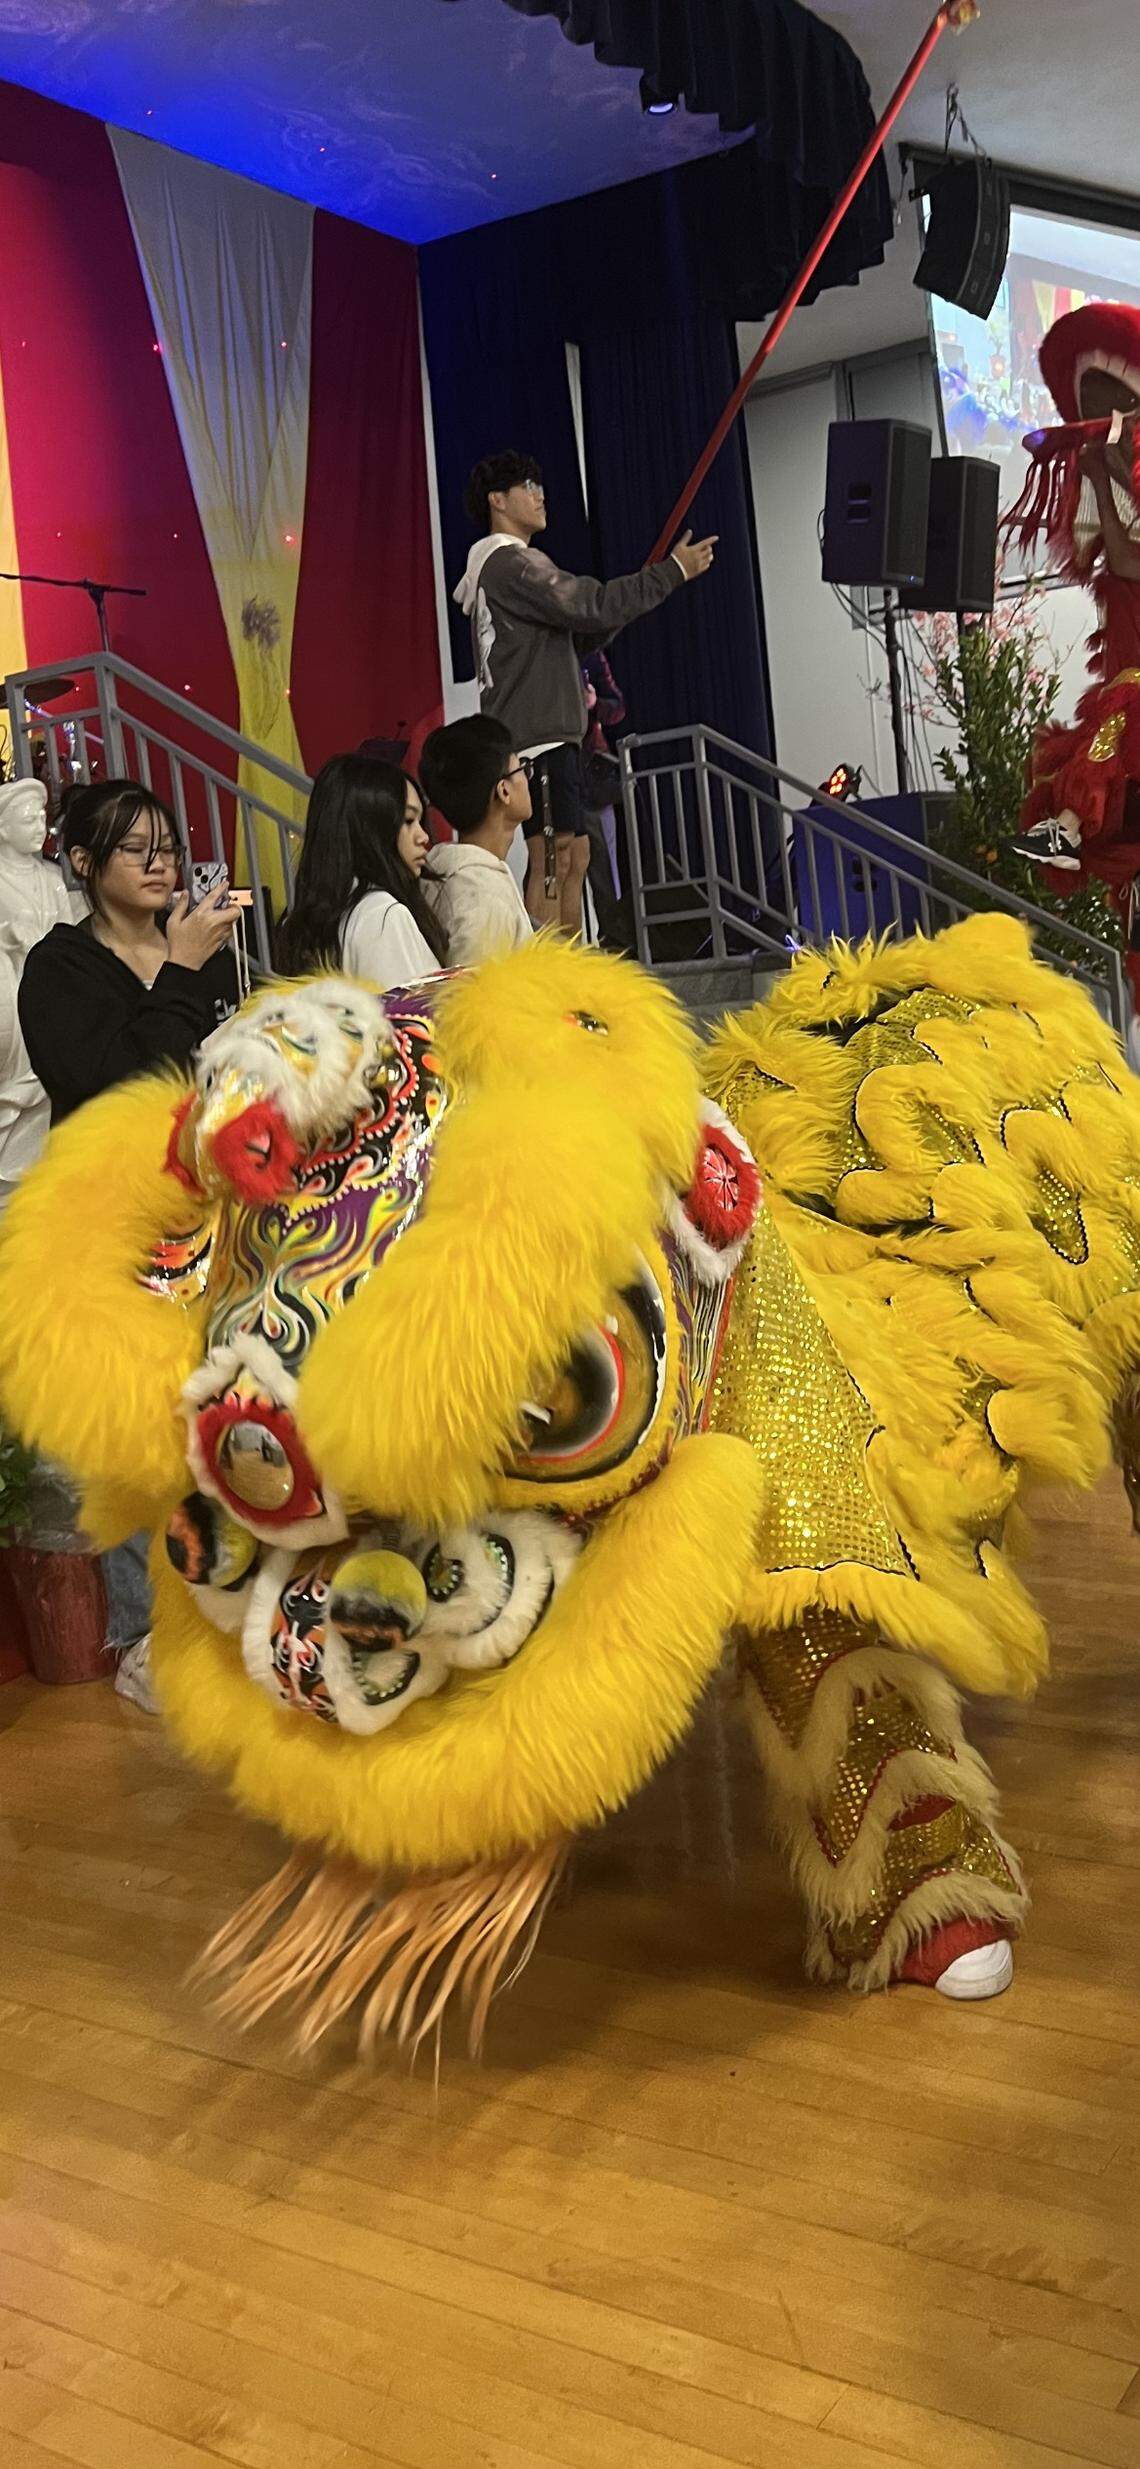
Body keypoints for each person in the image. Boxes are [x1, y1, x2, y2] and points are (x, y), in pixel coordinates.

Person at [17, 777, 241, 1710]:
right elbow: (113, 1084)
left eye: (167, 842)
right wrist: (183, 973)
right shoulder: (58, 967)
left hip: (214, 1219)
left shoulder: (202, 951)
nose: (162, 861)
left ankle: (229, 1614)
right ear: (81, 864)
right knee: (134, 1440)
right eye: (134, 848)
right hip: (114, 1233)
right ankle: (145, 1637)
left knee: (218, 1420)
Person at [455, 448, 715, 934]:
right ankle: (555, 980)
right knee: (554, 858)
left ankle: (572, 966)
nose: (540, 495)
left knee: (575, 854)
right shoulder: (510, 564)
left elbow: (583, 628)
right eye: (527, 487)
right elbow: (588, 605)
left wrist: (633, 600)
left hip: (550, 732)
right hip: (538, 736)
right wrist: (669, 573)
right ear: (498, 500)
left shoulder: (508, 568)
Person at [278, 754, 446, 984]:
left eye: (420, 821)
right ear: (370, 828)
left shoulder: (304, 918)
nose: (423, 836)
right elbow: (405, 1017)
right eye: (408, 820)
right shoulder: (382, 915)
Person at [0, 776, 77, 1202]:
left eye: (41, 819)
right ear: (3, 828)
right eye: (27, 820)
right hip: (11, 992)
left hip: (52, 992)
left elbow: (66, 933)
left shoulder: (52, 878)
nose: (38, 826)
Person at [418, 715, 533, 966]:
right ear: (504, 791)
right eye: (522, 768)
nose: (527, 778)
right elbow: (478, 999)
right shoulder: (482, 895)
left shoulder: (453, 872)